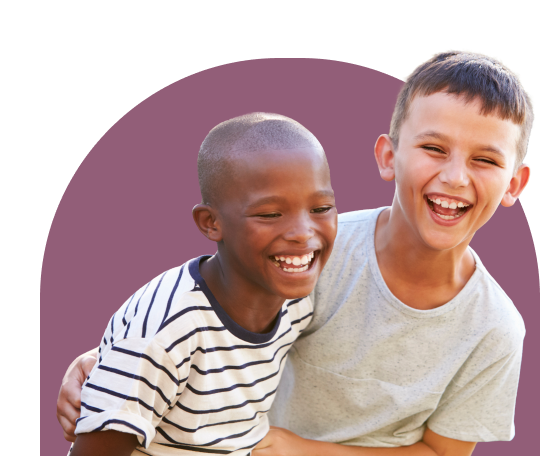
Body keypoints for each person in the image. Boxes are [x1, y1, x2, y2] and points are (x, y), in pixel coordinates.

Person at [57, 50, 534, 456]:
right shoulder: (313, 249)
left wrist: (296, 448)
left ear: (514, 183)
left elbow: (440, 453)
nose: (454, 177)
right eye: (434, 147)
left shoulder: (494, 329)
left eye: (485, 159)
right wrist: (109, 362)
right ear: (389, 157)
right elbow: (203, 315)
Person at [63, 113, 338, 455]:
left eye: (321, 207)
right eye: (270, 214)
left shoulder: (297, 297)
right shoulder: (164, 336)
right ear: (211, 223)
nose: (302, 232)